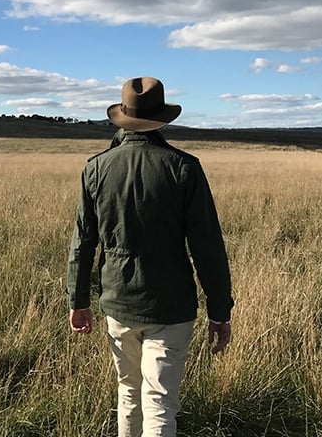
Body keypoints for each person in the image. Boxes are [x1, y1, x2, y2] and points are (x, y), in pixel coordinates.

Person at [66, 77, 234, 437]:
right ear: (162, 120)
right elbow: (208, 249)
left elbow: (82, 242)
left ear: (123, 118)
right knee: (159, 401)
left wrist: (78, 301)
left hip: (118, 303)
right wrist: (220, 311)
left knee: (129, 393)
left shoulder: (96, 168)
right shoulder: (184, 167)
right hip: (171, 307)